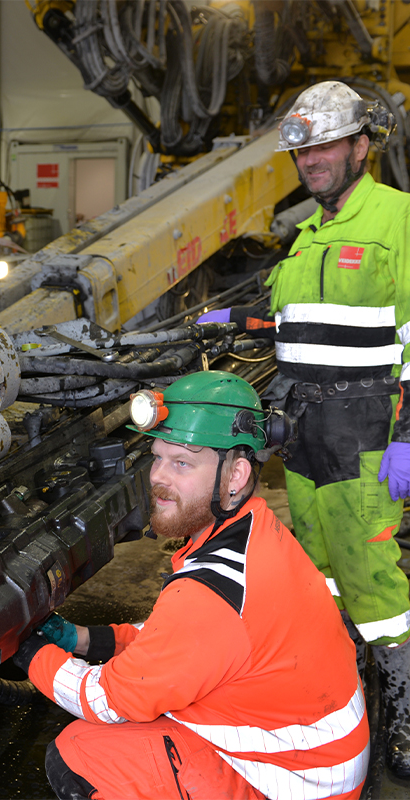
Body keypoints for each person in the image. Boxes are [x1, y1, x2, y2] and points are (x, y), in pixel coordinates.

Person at [14, 370, 368, 800]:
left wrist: (31, 651)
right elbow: (174, 641)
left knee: (81, 753)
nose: (158, 477)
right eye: (157, 456)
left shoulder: (211, 593)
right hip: (312, 752)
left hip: (298, 782)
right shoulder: (252, 526)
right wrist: (84, 639)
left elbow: (106, 700)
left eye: (182, 463)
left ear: (236, 474)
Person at [198, 80, 410, 775]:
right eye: (302, 150)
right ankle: (343, 695)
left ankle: (405, 712)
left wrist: (409, 439)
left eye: (323, 146)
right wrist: (238, 321)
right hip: (305, 428)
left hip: (368, 429)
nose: (311, 160)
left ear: (359, 146)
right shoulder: (307, 234)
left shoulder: (397, 220)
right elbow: (300, 326)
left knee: (372, 577)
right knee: (317, 570)